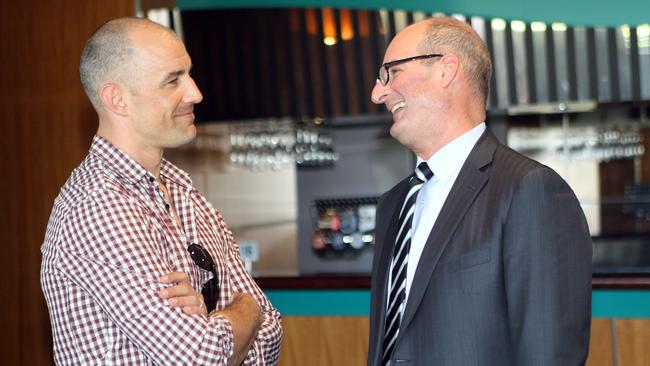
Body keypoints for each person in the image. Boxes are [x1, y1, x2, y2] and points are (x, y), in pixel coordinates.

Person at [40, 17, 282, 365]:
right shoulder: (98, 206)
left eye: (189, 74)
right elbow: (202, 357)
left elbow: (271, 337)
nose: (196, 93)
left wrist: (216, 321)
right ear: (118, 100)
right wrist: (244, 310)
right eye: (173, 80)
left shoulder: (187, 196)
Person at [367, 16, 592, 366]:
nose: (378, 93)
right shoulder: (393, 204)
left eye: (390, 73)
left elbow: (550, 354)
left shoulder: (528, 189)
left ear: (446, 70)